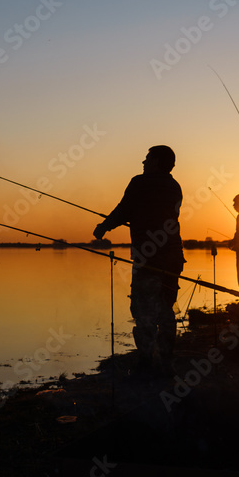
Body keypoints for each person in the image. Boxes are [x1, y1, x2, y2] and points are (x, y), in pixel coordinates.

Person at [93, 145, 184, 375]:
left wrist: (103, 227)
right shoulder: (175, 187)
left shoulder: (140, 183)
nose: (143, 163)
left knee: (143, 309)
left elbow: (124, 210)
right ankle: (165, 360)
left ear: (155, 162)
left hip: (149, 258)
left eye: (146, 159)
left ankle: (145, 362)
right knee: (165, 307)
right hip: (173, 257)